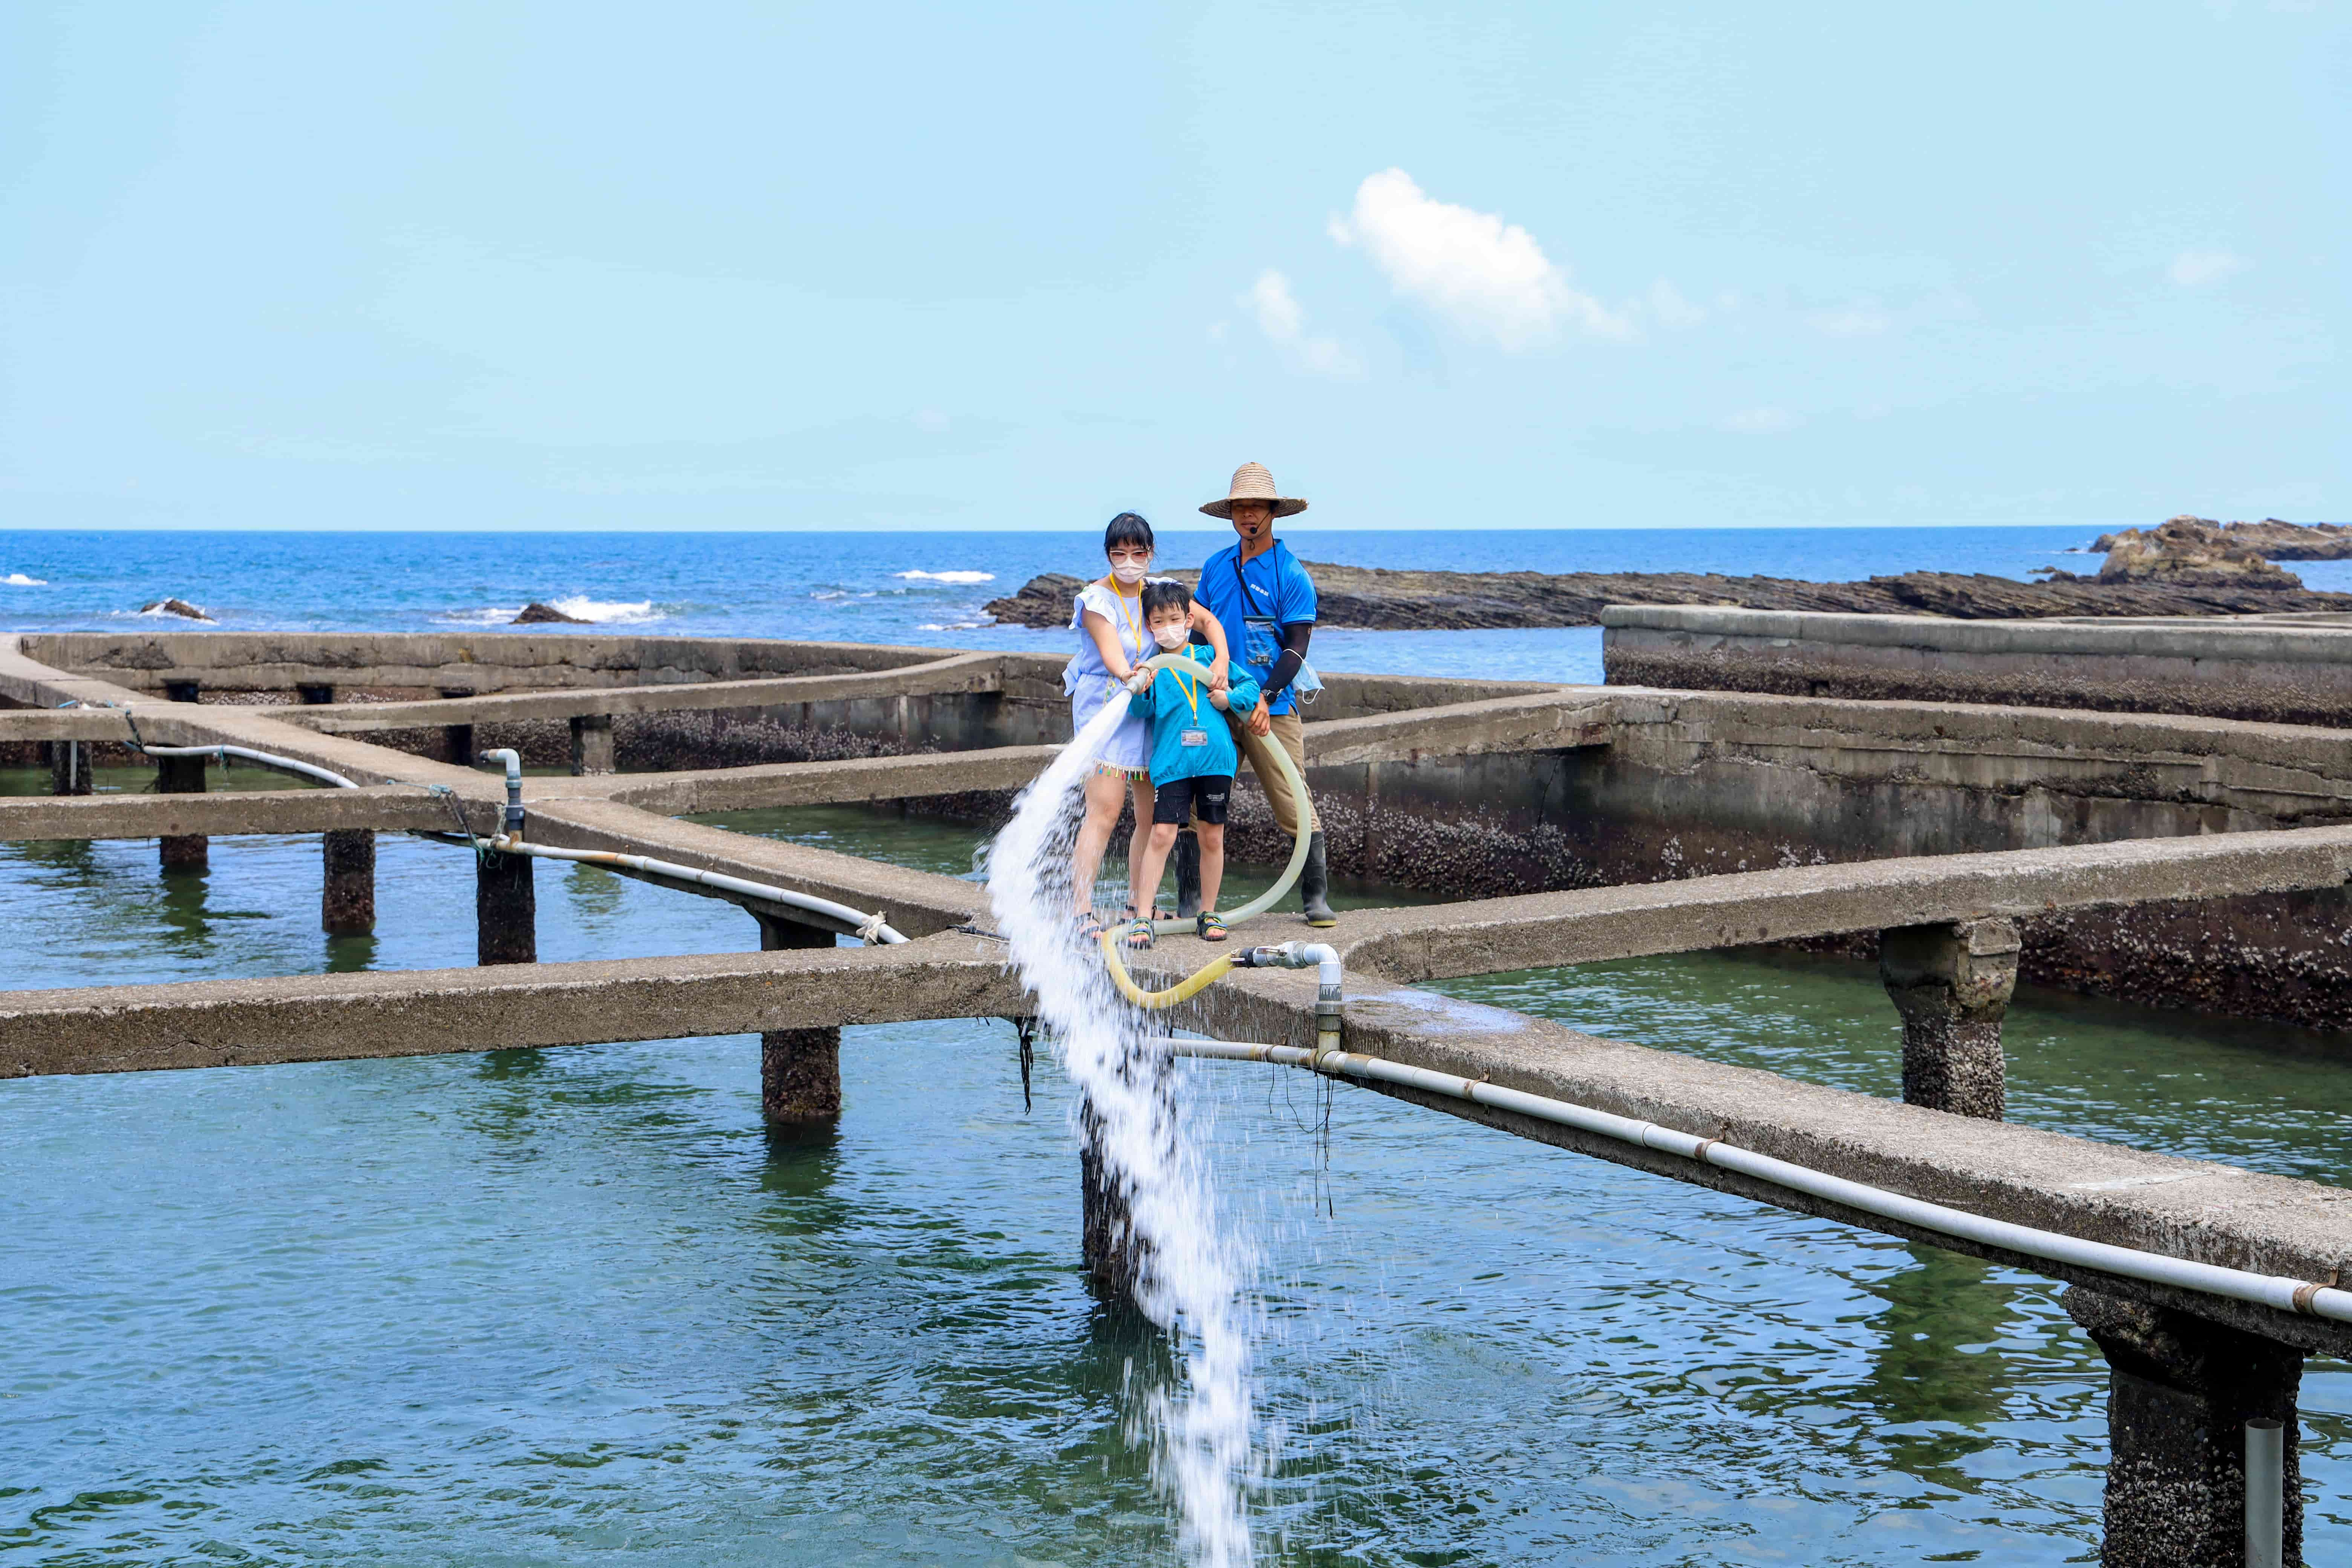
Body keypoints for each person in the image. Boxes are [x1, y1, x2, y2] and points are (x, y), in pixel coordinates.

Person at [1064, 511, 1229, 935]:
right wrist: (1130, 676)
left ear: (1151, 553)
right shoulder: (1095, 599)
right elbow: (1110, 654)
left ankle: (1139, 905)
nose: (1130, 561)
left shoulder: (1159, 591)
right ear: (1108, 554)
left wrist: (1222, 663)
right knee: (1103, 811)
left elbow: (1208, 622)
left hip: (1153, 708)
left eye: (1139, 553)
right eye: (1120, 553)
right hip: (1109, 707)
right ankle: (1081, 908)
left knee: (1147, 816)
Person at [1184, 462, 1334, 926]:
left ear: (1273, 512)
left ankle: (1316, 898)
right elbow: (1195, 636)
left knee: (1294, 802)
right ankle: (1191, 903)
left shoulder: (1292, 574)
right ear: (1231, 514)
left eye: (1258, 506)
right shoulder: (1216, 567)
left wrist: (1266, 696)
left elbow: (1297, 648)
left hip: (1274, 707)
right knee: (1198, 805)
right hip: (1217, 702)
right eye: (1241, 507)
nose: (1249, 515)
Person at [1119, 580, 1260, 949]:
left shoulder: (1210, 656)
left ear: (1188, 619)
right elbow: (1140, 710)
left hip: (1215, 761)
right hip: (1173, 763)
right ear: (1149, 625)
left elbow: (1250, 690)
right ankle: (1143, 916)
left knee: (1212, 835)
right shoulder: (1154, 667)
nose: (1168, 625)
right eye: (1159, 620)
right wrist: (1142, 684)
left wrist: (1227, 697)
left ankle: (1208, 912)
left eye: (1175, 618)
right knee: (1162, 834)